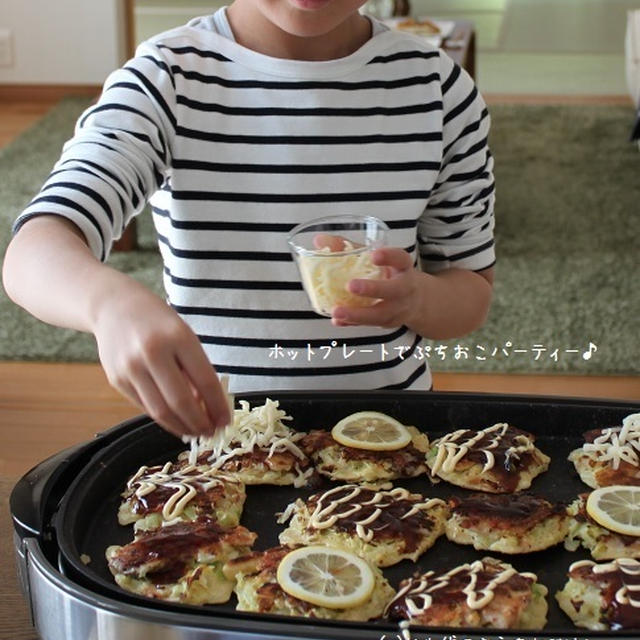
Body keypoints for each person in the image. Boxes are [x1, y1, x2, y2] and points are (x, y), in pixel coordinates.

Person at [2, 0, 495, 439]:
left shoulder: (439, 89)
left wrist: (416, 297)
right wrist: (108, 304)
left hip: (387, 431)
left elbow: (470, 289)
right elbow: (35, 249)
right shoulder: (167, 78)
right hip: (227, 445)